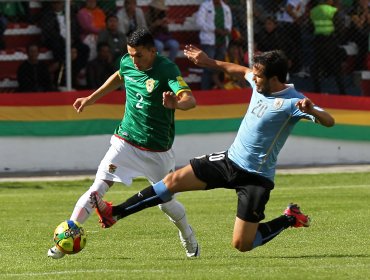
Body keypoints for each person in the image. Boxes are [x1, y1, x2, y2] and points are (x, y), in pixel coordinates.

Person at [90, 46, 335, 253]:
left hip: (256, 179)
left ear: (274, 79)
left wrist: (312, 110)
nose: (253, 78)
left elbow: (329, 120)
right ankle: (116, 213)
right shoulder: (259, 81)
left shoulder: (294, 101)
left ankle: (290, 217)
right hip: (229, 160)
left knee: (242, 244)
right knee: (173, 180)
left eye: (259, 76)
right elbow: (238, 70)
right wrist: (207, 62)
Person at [47, 28, 199, 259]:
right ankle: (65, 239)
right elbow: (120, 76)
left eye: (139, 55)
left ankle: (188, 234)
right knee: (97, 189)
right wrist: (91, 98)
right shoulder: (128, 62)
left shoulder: (167, 69)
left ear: (152, 51)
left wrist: (175, 104)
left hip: (157, 150)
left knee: (166, 204)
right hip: (125, 140)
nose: (134, 60)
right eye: (130, 54)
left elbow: (190, 101)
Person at [309, 0, 347, 94]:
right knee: (335, 66)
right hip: (330, 40)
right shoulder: (332, 10)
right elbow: (338, 26)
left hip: (318, 41)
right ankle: (342, 91)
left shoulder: (313, 11)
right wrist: (339, 38)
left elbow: (310, 27)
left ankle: (317, 90)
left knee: (316, 66)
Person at [196, 0, 232, 89]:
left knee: (218, 68)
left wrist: (227, 30)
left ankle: (216, 90)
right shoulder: (205, 6)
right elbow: (199, 22)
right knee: (208, 67)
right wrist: (214, 30)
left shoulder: (226, 8)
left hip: (222, 41)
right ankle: (205, 91)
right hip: (209, 41)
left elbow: (229, 23)